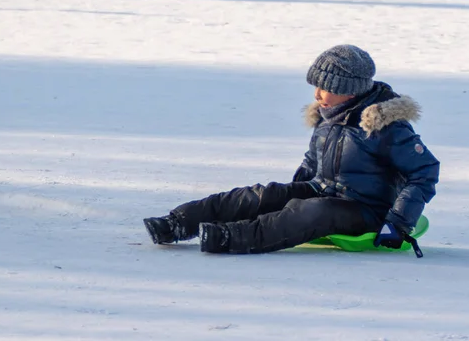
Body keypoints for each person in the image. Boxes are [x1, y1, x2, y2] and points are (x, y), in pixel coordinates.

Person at [143, 44, 440, 256]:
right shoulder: (328, 116)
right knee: (263, 195)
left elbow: (424, 172)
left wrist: (397, 224)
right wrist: (287, 194)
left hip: (368, 210)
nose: (317, 94)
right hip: (323, 190)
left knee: (314, 210)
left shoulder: (385, 126)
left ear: (351, 90)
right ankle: (178, 222)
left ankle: (229, 238)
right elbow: (313, 163)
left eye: (326, 87)